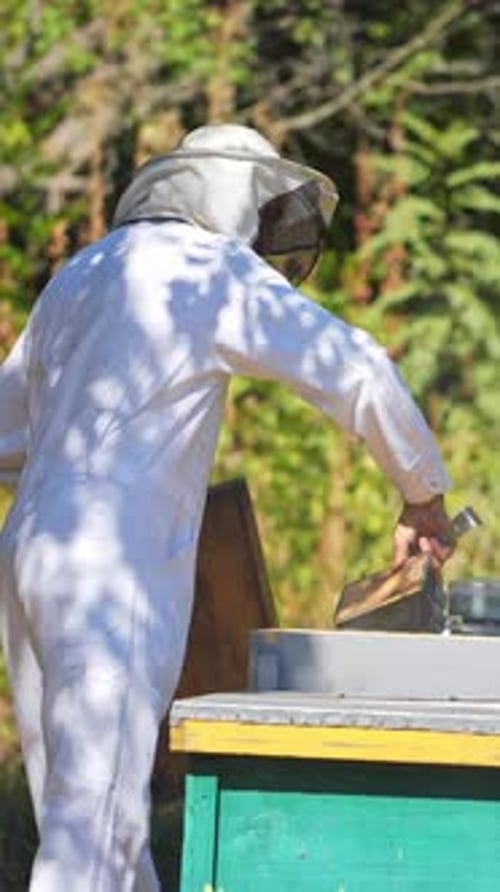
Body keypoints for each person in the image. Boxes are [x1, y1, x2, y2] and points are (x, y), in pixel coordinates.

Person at [0, 123, 454, 891]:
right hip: (114, 562)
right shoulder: (209, 272)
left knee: (89, 814)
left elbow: (8, 430)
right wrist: (425, 498)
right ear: (236, 193)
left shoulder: (83, 272)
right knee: (91, 835)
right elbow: (354, 367)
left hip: (33, 546)